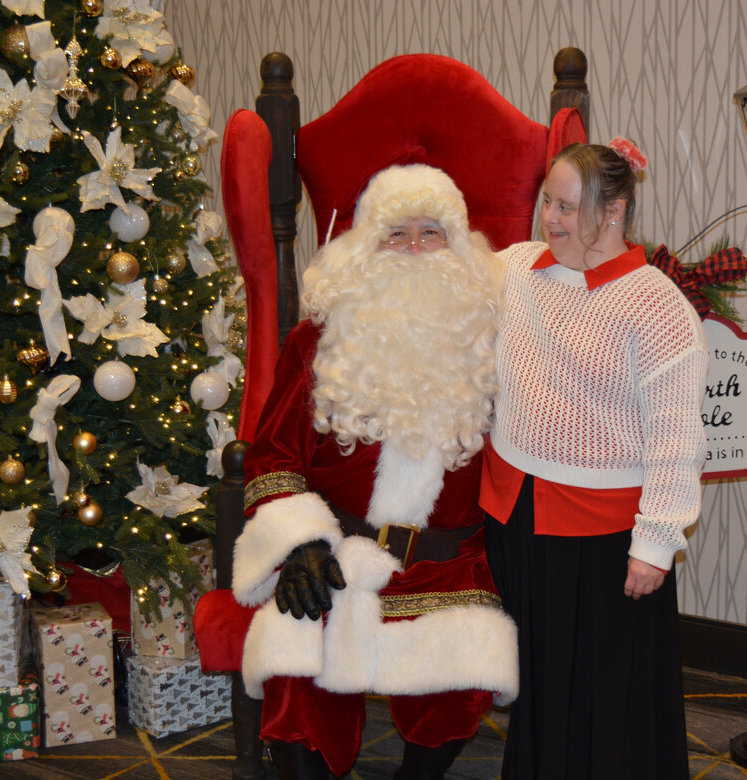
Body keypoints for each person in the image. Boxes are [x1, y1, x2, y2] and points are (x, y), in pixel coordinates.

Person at [229, 164, 517, 780]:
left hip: (449, 562)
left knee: (460, 672)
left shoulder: (496, 341)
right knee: (296, 665)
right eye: (396, 234)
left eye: (431, 232)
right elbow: (272, 455)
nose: (413, 248)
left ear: (459, 245)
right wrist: (301, 542)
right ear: (365, 245)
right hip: (335, 550)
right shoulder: (317, 340)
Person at [482, 139, 708, 779]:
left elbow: (675, 438)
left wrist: (655, 544)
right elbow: (443, 282)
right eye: (546, 201)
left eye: (566, 206)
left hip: (602, 534)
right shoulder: (516, 268)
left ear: (614, 210)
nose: (548, 218)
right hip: (515, 511)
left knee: (605, 693)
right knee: (540, 680)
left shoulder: (656, 306)